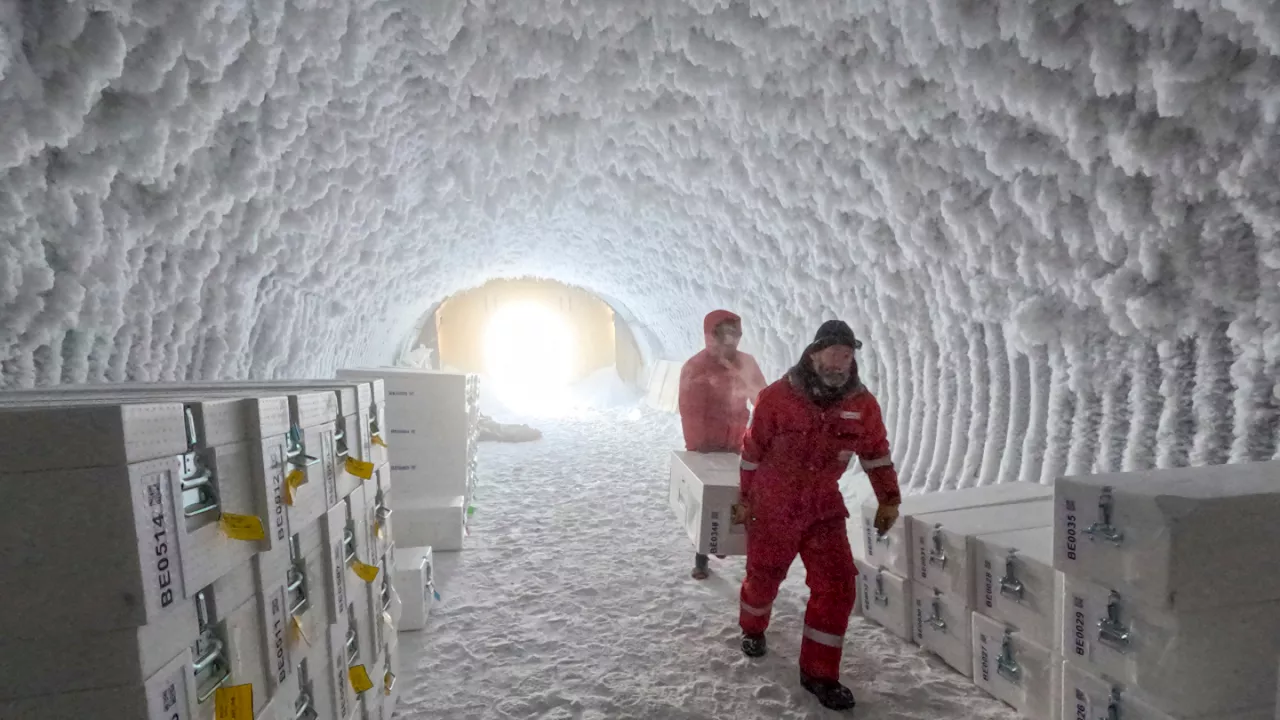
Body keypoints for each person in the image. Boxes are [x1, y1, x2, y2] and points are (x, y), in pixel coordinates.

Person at [733, 319, 901, 711]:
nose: (839, 362)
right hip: (774, 503)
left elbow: (876, 454)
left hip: (823, 506)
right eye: (832, 353)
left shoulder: (862, 405)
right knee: (764, 576)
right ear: (814, 354)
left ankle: (819, 674)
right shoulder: (777, 397)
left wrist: (889, 498)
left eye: (846, 355)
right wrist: (746, 497)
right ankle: (752, 627)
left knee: (838, 584)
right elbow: (752, 450)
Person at [677, 309, 767, 580]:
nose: (731, 339)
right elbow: (690, 411)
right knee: (707, 501)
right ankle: (701, 556)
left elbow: (762, 398)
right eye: (725, 333)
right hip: (706, 446)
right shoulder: (696, 367)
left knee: (739, 497)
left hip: (738, 443)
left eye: (735, 333)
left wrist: (765, 432)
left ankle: (728, 545)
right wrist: (697, 448)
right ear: (712, 335)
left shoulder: (745, 364)